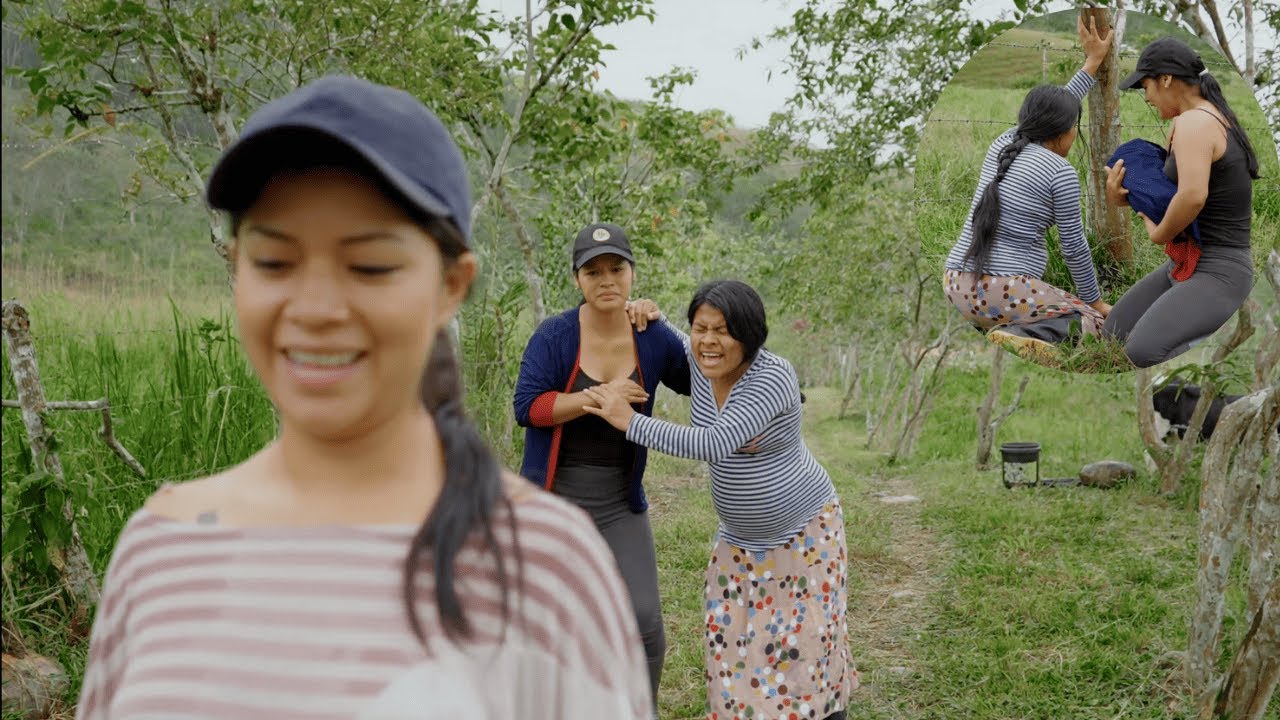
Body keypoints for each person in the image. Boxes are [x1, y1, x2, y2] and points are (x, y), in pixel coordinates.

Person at [75, 76, 653, 720]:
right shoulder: (159, 550)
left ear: (451, 286)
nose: (316, 308)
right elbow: (531, 406)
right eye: (273, 262)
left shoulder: (544, 564)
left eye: (371, 266)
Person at [584, 281, 858, 720]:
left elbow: (713, 442)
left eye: (723, 331)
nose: (709, 340)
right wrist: (650, 313)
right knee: (734, 647)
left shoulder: (772, 376)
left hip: (802, 536)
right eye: (702, 328)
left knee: (804, 650)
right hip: (739, 543)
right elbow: (681, 340)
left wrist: (628, 421)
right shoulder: (702, 361)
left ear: (749, 335)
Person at [513, 223, 691, 707]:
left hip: (619, 502)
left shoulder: (652, 336)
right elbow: (528, 407)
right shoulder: (554, 336)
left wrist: (764, 393)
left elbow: (701, 374)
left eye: (616, 268)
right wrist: (599, 397)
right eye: (593, 272)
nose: (606, 279)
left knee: (645, 621)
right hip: (554, 500)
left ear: (632, 273)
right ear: (578, 280)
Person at [943, 16, 1114, 361]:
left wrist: (1092, 63)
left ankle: (1000, 326)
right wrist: (1094, 301)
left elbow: (1054, 108)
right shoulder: (1060, 172)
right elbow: (1074, 248)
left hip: (955, 285)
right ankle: (1020, 333)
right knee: (1097, 326)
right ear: (1066, 130)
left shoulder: (1003, 143)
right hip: (1005, 291)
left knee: (1056, 307)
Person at [1103, 36, 1259, 368]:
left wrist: (1159, 235)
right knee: (1113, 332)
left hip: (1220, 269)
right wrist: (1125, 198)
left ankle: (1202, 353)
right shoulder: (1192, 119)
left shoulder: (1195, 122)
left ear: (1165, 79)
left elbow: (1192, 197)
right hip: (1190, 260)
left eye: (1145, 86)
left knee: (1140, 352)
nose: (1146, 96)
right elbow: (1176, 194)